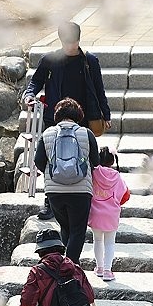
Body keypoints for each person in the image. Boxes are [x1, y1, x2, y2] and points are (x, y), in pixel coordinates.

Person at [34, 96, 99, 261]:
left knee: (65, 226)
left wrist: (52, 174)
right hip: (81, 190)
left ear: (57, 115)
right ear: (78, 115)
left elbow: (38, 161)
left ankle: (64, 266)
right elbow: (96, 162)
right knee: (78, 230)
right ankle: (70, 266)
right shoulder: (86, 133)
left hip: (54, 191)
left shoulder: (47, 133)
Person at [23, 22, 112, 134]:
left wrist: (106, 114)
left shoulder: (90, 60)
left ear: (79, 40)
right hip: (55, 116)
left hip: (82, 118)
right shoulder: (50, 60)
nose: (70, 47)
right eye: (67, 43)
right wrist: (30, 94)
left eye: (73, 43)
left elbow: (99, 89)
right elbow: (37, 80)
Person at [89, 146, 131, 279]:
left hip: (95, 214)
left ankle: (99, 267)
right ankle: (108, 270)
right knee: (109, 243)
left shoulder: (93, 173)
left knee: (97, 240)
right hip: (111, 215)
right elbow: (125, 195)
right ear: (113, 161)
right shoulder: (116, 176)